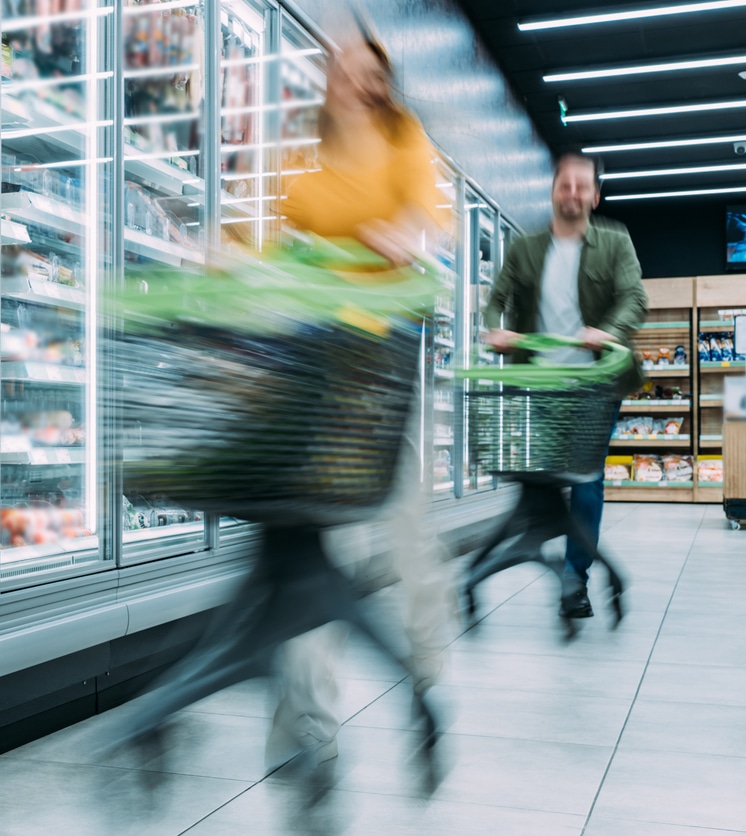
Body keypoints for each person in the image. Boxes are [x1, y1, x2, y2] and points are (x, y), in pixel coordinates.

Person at [268, 26, 455, 770]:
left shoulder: (405, 143)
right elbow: (285, 253)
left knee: (411, 537)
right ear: (329, 81)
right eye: (344, 70)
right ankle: (310, 718)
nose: (356, 83)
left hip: (383, 372)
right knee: (323, 549)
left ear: (383, 85)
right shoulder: (305, 171)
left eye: (370, 73)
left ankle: (428, 672)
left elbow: (427, 216)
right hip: (322, 375)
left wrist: (403, 235)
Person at [483, 151, 647, 618]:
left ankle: (576, 578)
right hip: (536, 384)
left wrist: (610, 330)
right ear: (553, 191)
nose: (572, 192)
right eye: (564, 184)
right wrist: (493, 328)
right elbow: (495, 298)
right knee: (537, 482)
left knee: (587, 481)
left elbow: (635, 295)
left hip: (594, 384)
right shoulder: (526, 249)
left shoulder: (616, 242)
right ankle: (542, 550)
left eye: (581, 185)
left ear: (595, 196)